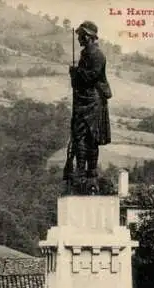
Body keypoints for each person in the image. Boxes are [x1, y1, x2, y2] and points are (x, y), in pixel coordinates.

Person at [67, 20, 112, 193]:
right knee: (79, 136)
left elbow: (91, 77)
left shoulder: (97, 54)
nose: (78, 38)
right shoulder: (85, 54)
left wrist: (75, 73)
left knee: (92, 137)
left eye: (80, 35)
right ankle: (80, 171)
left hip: (93, 101)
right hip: (82, 101)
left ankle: (91, 172)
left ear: (88, 36)